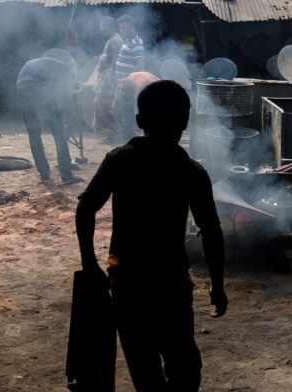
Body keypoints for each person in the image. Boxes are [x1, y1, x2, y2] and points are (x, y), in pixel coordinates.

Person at [76, 80, 227, 392]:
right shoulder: (191, 172)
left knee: (145, 369)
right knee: (185, 369)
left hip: (127, 283)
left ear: (140, 121)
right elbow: (211, 231)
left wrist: (90, 263)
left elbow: (85, 208)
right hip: (171, 284)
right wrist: (217, 285)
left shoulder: (120, 160)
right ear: (185, 122)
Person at [16, 51, 83, 185]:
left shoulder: (38, 63)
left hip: (21, 87)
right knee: (58, 132)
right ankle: (66, 174)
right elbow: (68, 97)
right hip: (37, 87)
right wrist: (67, 123)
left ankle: (44, 174)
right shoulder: (66, 70)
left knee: (34, 133)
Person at [92, 16, 123, 140]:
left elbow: (115, 62)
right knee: (100, 106)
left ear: (110, 27)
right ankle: (111, 134)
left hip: (108, 81)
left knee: (105, 107)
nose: (100, 29)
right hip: (104, 79)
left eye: (102, 26)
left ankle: (117, 133)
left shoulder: (115, 40)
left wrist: (111, 81)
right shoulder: (111, 40)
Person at [112, 71, 159, 144]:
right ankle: (125, 142)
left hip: (134, 81)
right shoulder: (143, 87)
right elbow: (138, 105)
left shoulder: (159, 84)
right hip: (126, 88)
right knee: (128, 118)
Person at [114, 15, 145, 80]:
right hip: (122, 82)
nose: (120, 31)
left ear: (131, 27)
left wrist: (129, 80)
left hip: (128, 83)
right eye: (120, 28)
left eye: (123, 28)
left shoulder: (136, 42)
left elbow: (140, 67)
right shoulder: (127, 40)